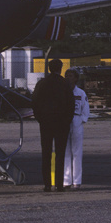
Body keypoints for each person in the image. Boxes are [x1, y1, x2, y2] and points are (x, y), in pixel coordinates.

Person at [32, 58, 75, 192]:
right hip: (61, 123)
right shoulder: (65, 84)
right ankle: (59, 184)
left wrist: (40, 118)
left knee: (46, 153)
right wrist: (67, 120)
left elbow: (34, 102)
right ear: (60, 68)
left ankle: (47, 184)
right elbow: (71, 104)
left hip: (46, 122)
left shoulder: (42, 83)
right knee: (60, 154)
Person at [63, 69, 89, 189]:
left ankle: (77, 181)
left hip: (76, 120)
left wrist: (81, 120)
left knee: (77, 152)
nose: (68, 78)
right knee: (66, 152)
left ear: (76, 79)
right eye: (66, 76)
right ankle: (66, 180)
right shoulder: (62, 91)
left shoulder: (81, 93)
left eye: (71, 76)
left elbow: (85, 108)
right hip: (64, 121)